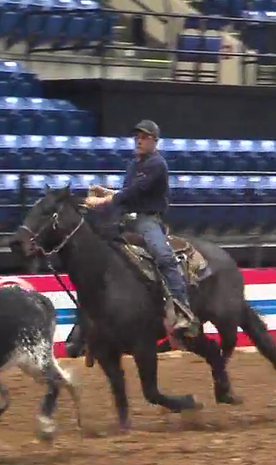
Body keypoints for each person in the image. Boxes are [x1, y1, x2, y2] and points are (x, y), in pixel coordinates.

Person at [82, 119, 201, 338]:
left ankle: (183, 310)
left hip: (147, 220)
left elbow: (132, 192)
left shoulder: (157, 164)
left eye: (144, 137)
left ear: (155, 141)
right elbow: (127, 193)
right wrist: (106, 192)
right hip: (127, 218)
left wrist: (103, 200)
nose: (139, 140)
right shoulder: (134, 165)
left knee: (164, 257)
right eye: (137, 136)